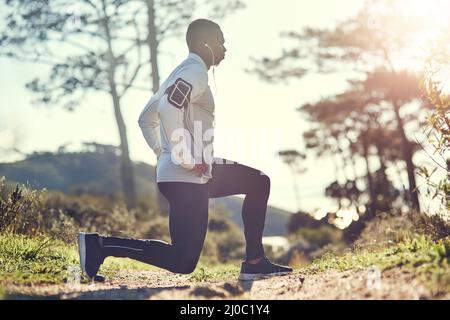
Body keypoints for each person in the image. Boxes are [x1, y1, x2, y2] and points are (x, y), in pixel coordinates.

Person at [77, 19, 293, 281]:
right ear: (205, 44)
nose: (225, 48)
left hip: (190, 173)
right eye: (220, 41)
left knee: (258, 182)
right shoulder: (194, 72)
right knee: (182, 260)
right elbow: (169, 108)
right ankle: (99, 246)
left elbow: (146, 118)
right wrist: (184, 158)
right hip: (187, 175)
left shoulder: (179, 73)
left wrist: (163, 152)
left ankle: (255, 261)